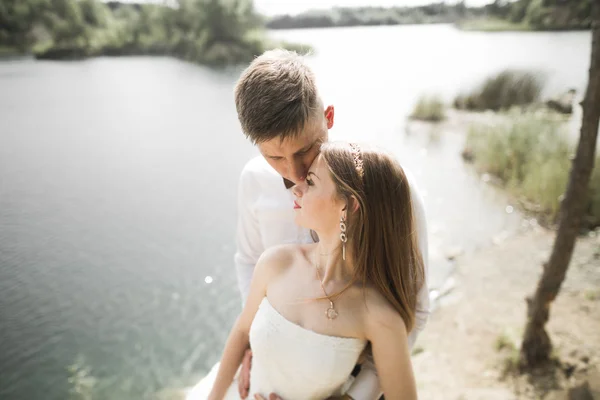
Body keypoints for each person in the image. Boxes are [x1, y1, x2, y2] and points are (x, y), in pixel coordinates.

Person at [190, 49, 429, 400]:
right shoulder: (254, 181)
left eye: (306, 150)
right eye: (274, 157)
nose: (295, 173)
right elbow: (248, 260)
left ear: (328, 117)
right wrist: (257, 341)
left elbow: (415, 308)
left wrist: (351, 396)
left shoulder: (390, 189)